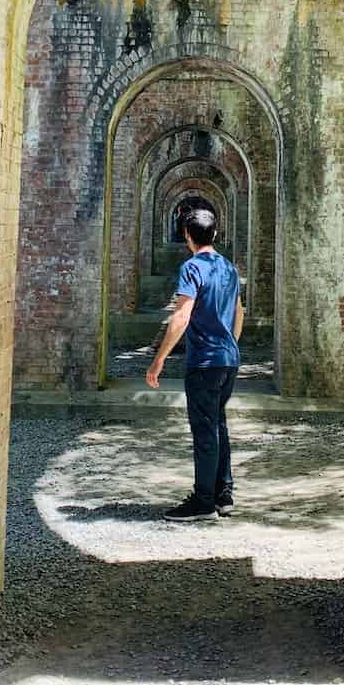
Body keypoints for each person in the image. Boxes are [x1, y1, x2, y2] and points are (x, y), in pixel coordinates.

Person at [146, 207, 244, 521]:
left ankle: (203, 501)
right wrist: (231, 344)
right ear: (215, 234)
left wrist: (158, 360)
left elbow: (181, 316)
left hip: (204, 362)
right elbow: (239, 313)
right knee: (218, 424)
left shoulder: (192, 267)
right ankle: (223, 494)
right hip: (228, 359)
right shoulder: (228, 267)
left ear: (187, 236)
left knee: (205, 429)